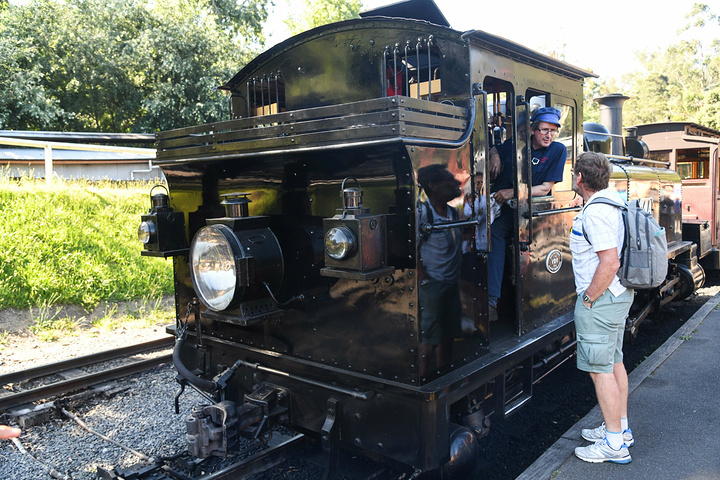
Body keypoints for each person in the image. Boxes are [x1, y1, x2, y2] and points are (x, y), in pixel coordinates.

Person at [569, 151, 634, 464]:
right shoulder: (610, 202)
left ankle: (613, 446)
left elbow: (610, 261)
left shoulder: (596, 212)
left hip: (602, 300)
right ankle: (621, 430)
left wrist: (588, 298)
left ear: (580, 179)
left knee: (601, 371)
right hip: (615, 297)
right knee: (615, 362)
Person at [486, 106, 566, 321]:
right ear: (532, 130)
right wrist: (494, 155)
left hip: (533, 213)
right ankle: (491, 302)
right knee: (493, 232)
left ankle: (530, 302)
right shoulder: (516, 145)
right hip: (505, 209)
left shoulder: (557, 150)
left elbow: (545, 188)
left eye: (552, 130)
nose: (548, 135)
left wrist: (512, 192)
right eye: (544, 130)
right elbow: (496, 148)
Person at [416, 165, 463, 377]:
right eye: (450, 180)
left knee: (448, 335)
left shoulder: (453, 212)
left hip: (452, 283)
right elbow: (410, 247)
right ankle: (422, 379)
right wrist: (423, 277)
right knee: (429, 338)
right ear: (432, 186)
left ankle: (444, 375)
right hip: (433, 284)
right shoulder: (423, 213)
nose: (457, 183)